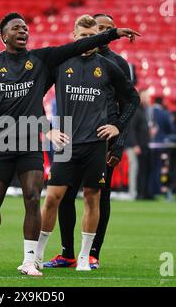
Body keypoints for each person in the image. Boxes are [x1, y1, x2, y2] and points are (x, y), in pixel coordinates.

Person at [0, 12, 140, 276]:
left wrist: (112, 34)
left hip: (49, 141)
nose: (23, 31)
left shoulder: (52, 60)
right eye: (17, 28)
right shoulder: (6, 63)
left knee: (38, 197)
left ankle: (38, 259)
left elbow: (87, 54)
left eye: (25, 28)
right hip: (9, 140)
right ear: (4, 35)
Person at [34, 14, 140, 272]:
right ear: (74, 37)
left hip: (96, 143)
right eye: (82, 37)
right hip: (66, 142)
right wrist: (47, 130)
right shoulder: (61, 63)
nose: (87, 41)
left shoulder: (110, 65)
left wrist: (117, 127)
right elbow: (34, 96)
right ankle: (36, 255)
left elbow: (132, 99)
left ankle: (85, 256)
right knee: (53, 199)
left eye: (92, 36)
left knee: (94, 198)